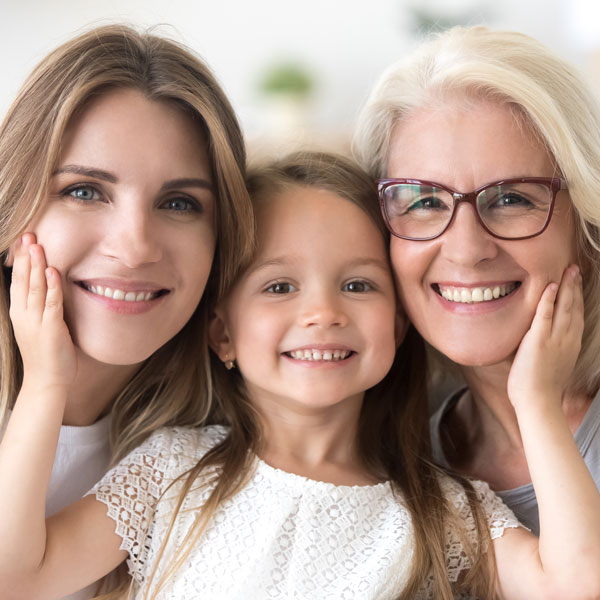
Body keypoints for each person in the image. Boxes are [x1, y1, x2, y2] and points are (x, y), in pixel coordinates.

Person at [1, 151, 598, 600]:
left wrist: (535, 402)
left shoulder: (444, 511)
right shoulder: (170, 471)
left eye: (358, 285)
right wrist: (45, 383)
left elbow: (577, 585)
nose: (323, 314)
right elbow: (15, 574)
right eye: (279, 286)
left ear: (398, 325)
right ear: (222, 333)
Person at [0, 24, 253, 599]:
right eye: (85, 190)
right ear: (15, 214)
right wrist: (46, 387)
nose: (135, 246)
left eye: (179, 202)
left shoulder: (210, 452)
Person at [354, 25, 600, 539]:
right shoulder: (393, 468)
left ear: (586, 222)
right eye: (423, 201)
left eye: (512, 198)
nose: (466, 250)